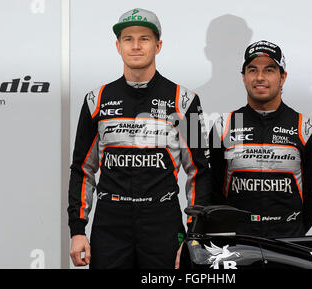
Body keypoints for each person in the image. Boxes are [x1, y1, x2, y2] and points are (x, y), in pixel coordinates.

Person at [67, 8, 211, 269]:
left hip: (162, 223)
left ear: (158, 45)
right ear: (118, 46)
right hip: (110, 224)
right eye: (128, 39)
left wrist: (194, 235)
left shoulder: (185, 101)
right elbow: (82, 169)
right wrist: (77, 230)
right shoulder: (95, 101)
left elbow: (199, 171)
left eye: (144, 38)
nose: (135, 46)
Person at [209, 40, 312, 238]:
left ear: (283, 77)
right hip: (239, 243)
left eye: (269, 70)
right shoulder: (222, 126)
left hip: (288, 241)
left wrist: (292, 230)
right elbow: (212, 190)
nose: (260, 77)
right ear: (244, 77)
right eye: (253, 70)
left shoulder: (307, 128)